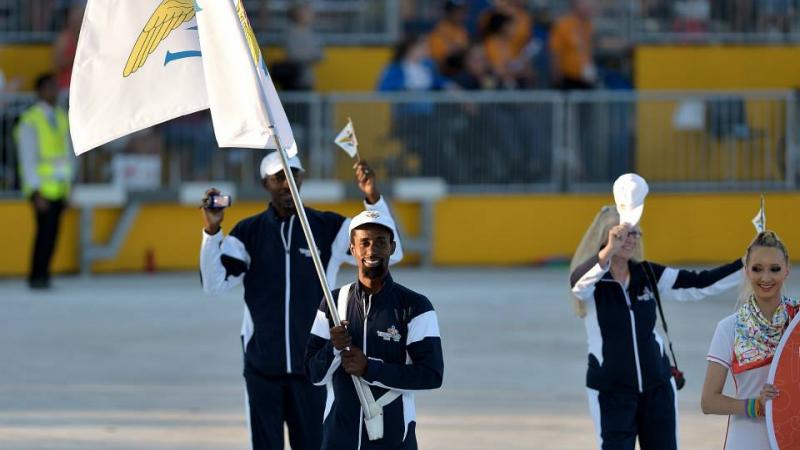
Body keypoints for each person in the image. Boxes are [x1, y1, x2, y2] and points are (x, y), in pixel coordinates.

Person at [199, 152, 404, 450]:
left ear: (302, 179)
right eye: (278, 177)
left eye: (293, 175)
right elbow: (214, 284)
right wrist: (212, 231)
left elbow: (392, 255)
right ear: (265, 183)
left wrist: (373, 200)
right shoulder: (248, 233)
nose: (287, 184)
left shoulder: (327, 228)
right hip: (262, 369)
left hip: (314, 369)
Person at [570, 174, 743, 450]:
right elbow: (577, 284)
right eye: (621, 233)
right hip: (611, 393)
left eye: (634, 232)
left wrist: (746, 263)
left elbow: (699, 283)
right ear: (606, 236)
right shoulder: (593, 281)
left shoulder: (648, 273)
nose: (630, 238)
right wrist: (606, 254)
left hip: (658, 387)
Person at [305, 209, 443, 450]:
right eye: (364, 243)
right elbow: (313, 374)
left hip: (394, 439)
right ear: (353, 248)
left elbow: (431, 375)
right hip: (338, 441)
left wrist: (370, 368)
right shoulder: (333, 302)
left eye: (380, 242)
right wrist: (333, 348)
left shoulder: (416, 306)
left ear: (392, 246)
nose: (372, 250)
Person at [702, 230, 797, 450]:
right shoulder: (729, 328)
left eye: (774, 269)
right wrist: (756, 406)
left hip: (793, 437)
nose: (766, 277)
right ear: (746, 271)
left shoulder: (797, 323)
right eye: (757, 269)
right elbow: (708, 401)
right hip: (746, 441)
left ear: (787, 270)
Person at [13, 73, 74, 290]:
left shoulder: (60, 116)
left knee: (53, 234)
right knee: (43, 234)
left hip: (58, 186)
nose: (55, 92)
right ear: (40, 91)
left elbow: (66, 153)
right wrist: (35, 190)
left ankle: (44, 274)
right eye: (50, 87)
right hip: (41, 188)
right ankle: (36, 275)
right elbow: (27, 157)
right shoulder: (30, 120)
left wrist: (68, 187)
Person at [550, 0, 596, 90]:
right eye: (583, 4)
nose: (587, 7)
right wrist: (556, 74)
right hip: (567, 76)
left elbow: (589, 50)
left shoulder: (588, 25)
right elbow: (556, 52)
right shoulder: (563, 25)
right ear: (575, 5)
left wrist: (590, 67)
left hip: (585, 75)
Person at [427, 0, 470, 76]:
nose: (460, 14)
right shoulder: (439, 31)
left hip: (461, 71)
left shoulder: (462, 30)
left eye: (462, 11)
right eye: (456, 11)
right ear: (448, 12)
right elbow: (438, 62)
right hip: (444, 74)